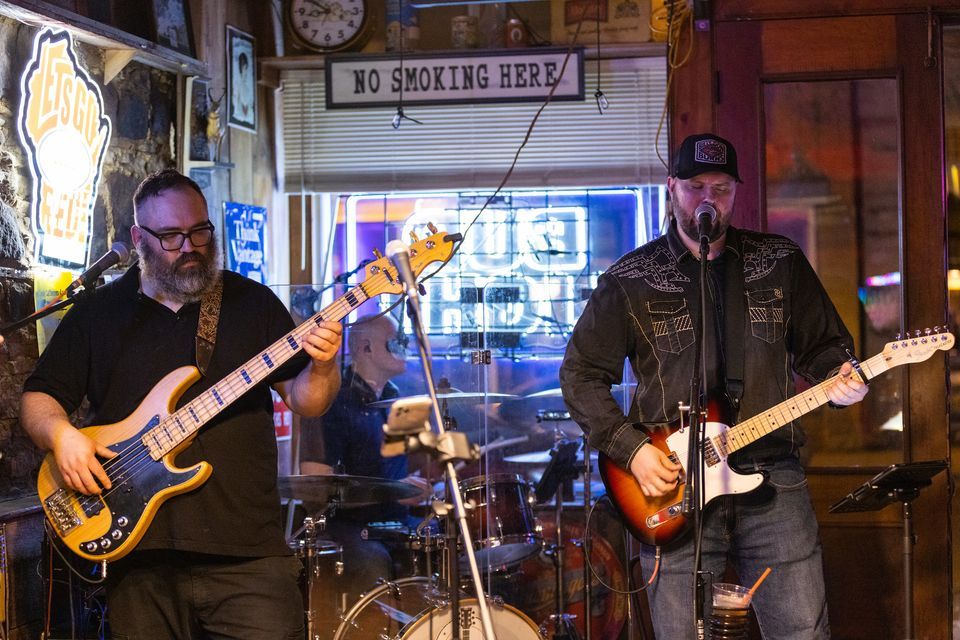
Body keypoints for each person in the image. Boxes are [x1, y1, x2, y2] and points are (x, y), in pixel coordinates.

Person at [559, 133, 868, 639]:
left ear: (736, 191)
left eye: (721, 188)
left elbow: (825, 348)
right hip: (674, 486)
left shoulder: (779, 261)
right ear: (671, 188)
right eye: (696, 187)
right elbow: (580, 374)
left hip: (773, 478)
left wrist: (841, 377)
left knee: (802, 632)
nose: (709, 199)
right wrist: (633, 450)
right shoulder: (631, 279)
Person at [21, 169, 343, 639]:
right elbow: (38, 398)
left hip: (247, 553)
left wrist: (324, 366)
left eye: (200, 231)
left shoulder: (251, 303)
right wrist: (62, 436)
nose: (190, 247)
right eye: (171, 236)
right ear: (139, 239)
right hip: (139, 558)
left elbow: (305, 400)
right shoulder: (97, 312)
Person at [298, 312, 432, 606]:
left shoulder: (395, 397)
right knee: (373, 562)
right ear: (365, 348)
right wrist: (395, 490)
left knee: (444, 541)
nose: (404, 348)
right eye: (395, 342)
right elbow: (316, 488)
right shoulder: (333, 401)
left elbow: (403, 467)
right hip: (348, 525)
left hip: (394, 520)